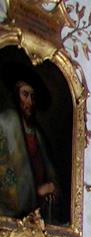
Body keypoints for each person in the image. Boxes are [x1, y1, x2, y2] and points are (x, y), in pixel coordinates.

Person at [0, 70, 61, 222]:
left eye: (33, 97)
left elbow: (49, 174)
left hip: (37, 216)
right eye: (25, 95)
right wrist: (37, 192)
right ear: (16, 95)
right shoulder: (5, 124)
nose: (30, 102)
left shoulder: (37, 134)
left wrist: (51, 188)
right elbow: (4, 174)